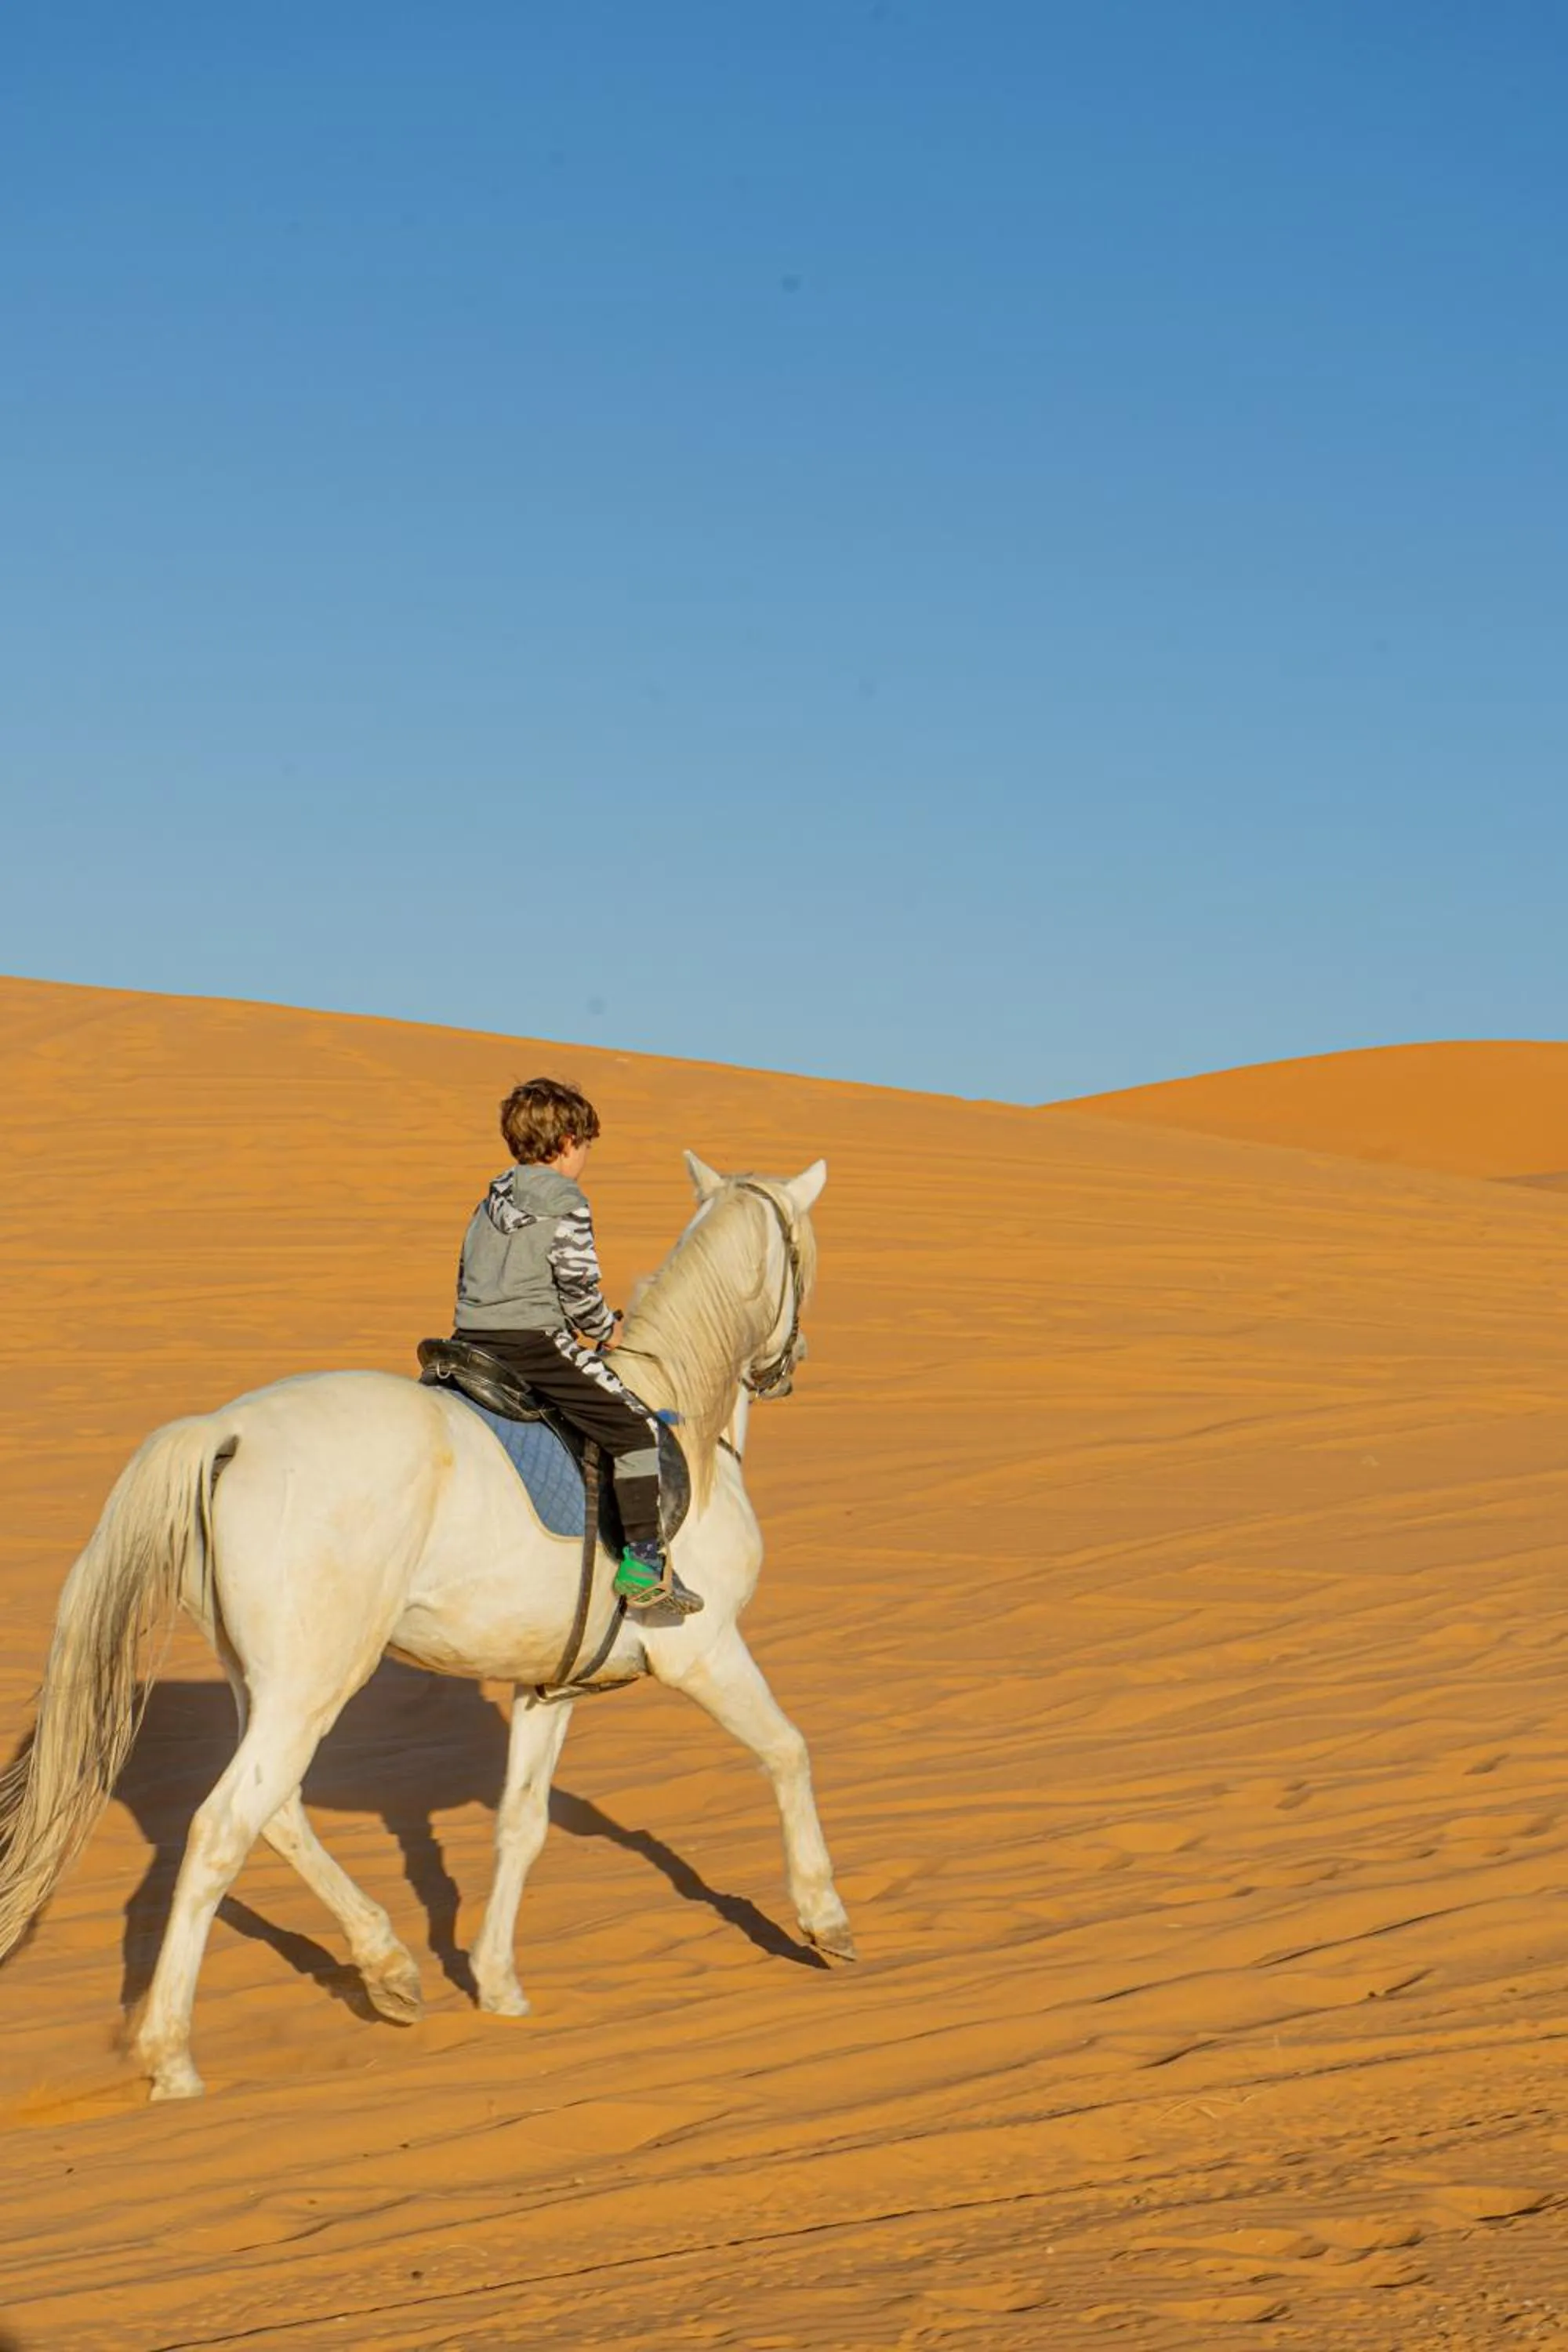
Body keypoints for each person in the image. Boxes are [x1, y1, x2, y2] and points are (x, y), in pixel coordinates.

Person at [452, 1076, 700, 1615]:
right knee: (634, 1429)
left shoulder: (488, 1200)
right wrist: (602, 1329)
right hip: (534, 1345)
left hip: (469, 1341)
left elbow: (469, 1273)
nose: (586, 1157)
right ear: (567, 1143)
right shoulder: (566, 1200)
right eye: (586, 1145)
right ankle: (641, 1564)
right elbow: (577, 1284)